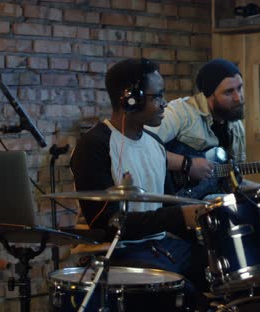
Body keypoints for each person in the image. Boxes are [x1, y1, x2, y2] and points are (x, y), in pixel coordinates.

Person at [70, 58, 210, 307]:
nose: (164, 103)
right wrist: (179, 216)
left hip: (156, 247)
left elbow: (166, 208)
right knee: (185, 293)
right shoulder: (95, 145)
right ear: (130, 100)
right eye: (158, 97)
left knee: (219, 271)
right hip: (115, 253)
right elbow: (106, 224)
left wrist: (204, 221)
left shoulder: (155, 145)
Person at [146, 58, 260, 197]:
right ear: (209, 95)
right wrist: (186, 164)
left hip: (208, 207)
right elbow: (143, 145)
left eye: (240, 88)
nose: (238, 97)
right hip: (172, 202)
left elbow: (233, 183)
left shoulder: (236, 127)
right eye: (229, 92)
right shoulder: (182, 112)